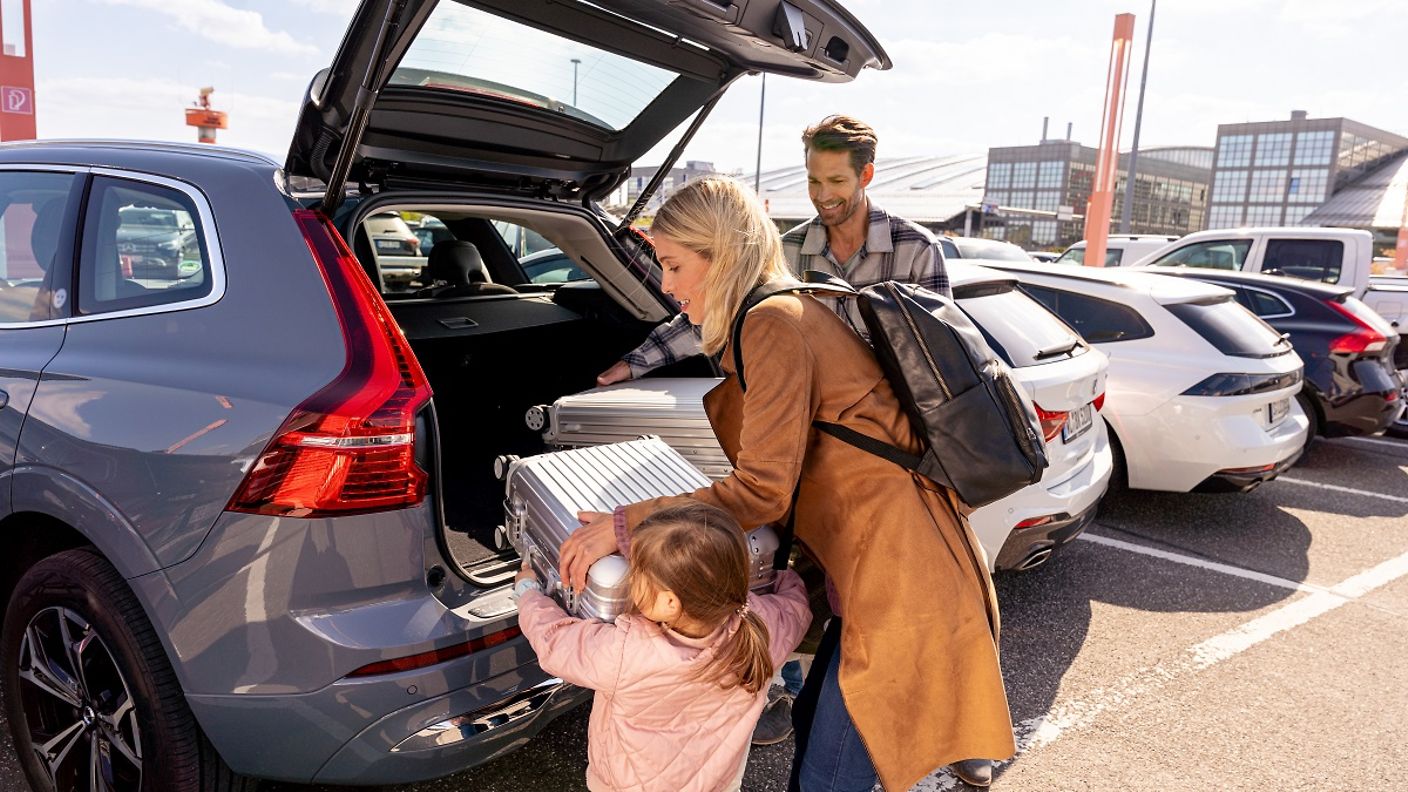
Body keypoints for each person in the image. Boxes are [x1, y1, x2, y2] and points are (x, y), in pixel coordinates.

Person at [562, 176, 1014, 792]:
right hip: (887, 561)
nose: (666, 287)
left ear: (720, 255)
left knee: (832, 769)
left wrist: (626, 525)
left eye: (673, 265)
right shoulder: (782, 307)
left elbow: (761, 491)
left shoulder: (772, 322)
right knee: (821, 733)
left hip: (900, 574)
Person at [596, 114, 949, 388]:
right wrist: (636, 362)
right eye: (813, 180)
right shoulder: (787, 251)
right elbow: (721, 306)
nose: (822, 195)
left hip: (895, 441)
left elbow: (942, 358)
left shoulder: (917, 251)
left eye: (837, 181)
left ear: (866, 175)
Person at [515, 501, 811, 792]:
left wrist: (528, 593)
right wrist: (781, 579)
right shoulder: (763, 626)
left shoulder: (627, 652)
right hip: (718, 783)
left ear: (670, 602)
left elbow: (554, 641)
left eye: (638, 573)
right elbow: (797, 606)